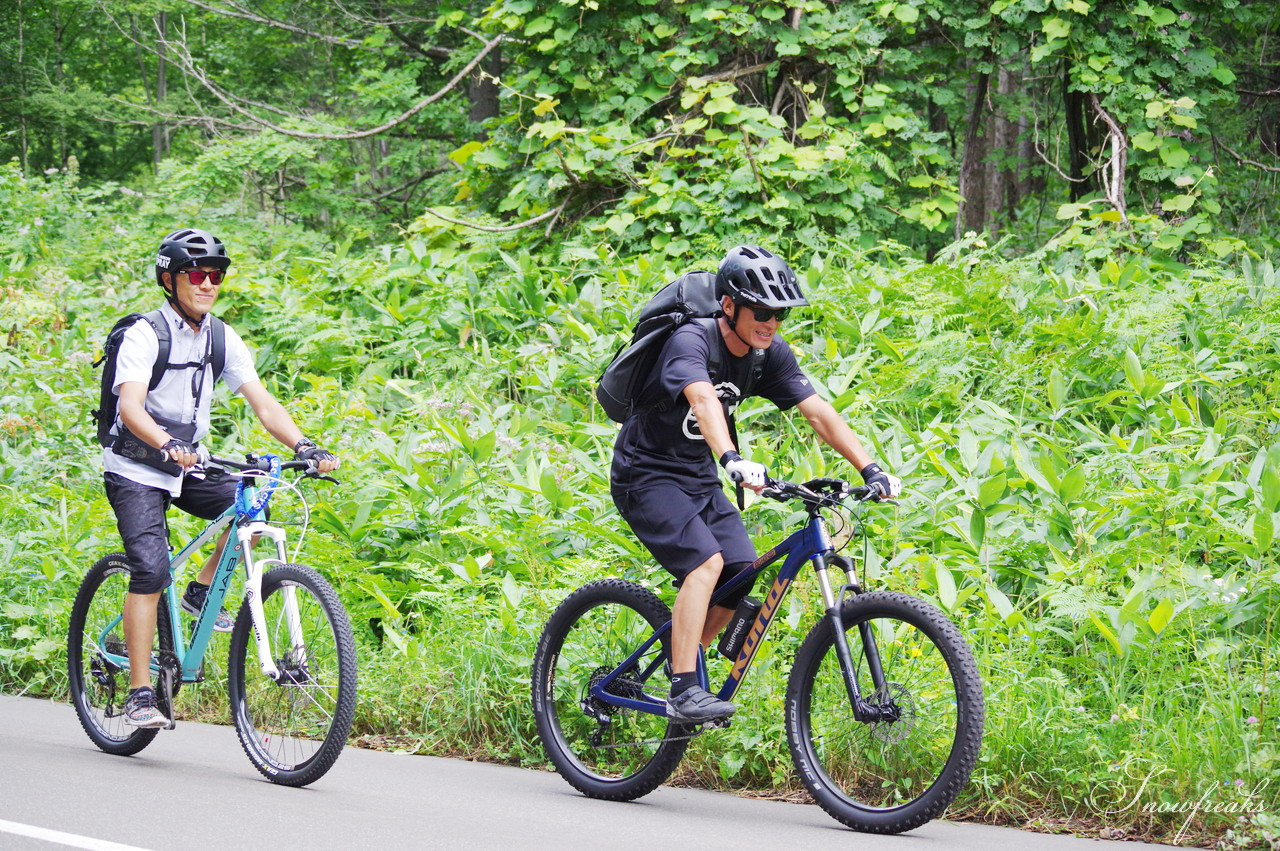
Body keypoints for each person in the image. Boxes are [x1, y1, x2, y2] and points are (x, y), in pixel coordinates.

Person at [610, 244, 902, 723]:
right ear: (729, 306)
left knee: (739, 570)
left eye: (780, 314)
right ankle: (684, 690)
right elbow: (703, 401)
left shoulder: (768, 355)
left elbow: (818, 413)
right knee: (706, 564)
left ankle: (683, 672)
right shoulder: (692, 341)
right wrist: (732, 459)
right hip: (646, 473)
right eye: (761, 311)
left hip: (696, 478)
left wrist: (869, 468)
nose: (771, 323)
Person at [102, 227, 339, 728]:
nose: (208, 283)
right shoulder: (146, 334)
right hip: (136, 466)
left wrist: (304, 445)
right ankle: (140, 692)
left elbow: (263, 404)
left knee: (251, 505)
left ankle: (200, 591)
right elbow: (130, 405)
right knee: (148, 569)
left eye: (216, 274)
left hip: (188, 462)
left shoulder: (220, 336)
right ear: (170, 279)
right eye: (197, 274)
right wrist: (165, 444)